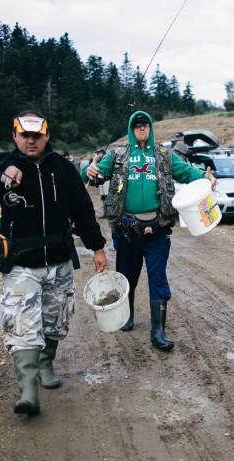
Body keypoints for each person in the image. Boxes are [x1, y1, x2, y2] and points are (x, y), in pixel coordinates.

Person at [0, 111, 107, 415]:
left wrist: (97, 247)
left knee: (56, 322)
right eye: (24, 135)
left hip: (59, 260)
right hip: (20, 263)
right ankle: (27, 389)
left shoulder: (64, 168)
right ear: (15, 136)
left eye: (36, 135)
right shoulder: (5, 165)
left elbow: (82, 210)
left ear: (46, 136)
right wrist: (7, 170)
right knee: (22, 322)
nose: (30, 141)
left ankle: (46, 364)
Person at [83, 111, 215, 351]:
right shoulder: (118, 155)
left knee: (157, 278)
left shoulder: (164, 154)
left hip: (158, 229)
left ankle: (158, 332)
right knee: (127, 274)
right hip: (126, 230)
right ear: (131, 129)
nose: (142, 128)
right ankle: (128, 315)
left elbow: (187, 173)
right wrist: (89, 171)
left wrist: (205, 177)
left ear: (150, 128)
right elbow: (92, 174)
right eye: (137, 125)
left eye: (145, 125)